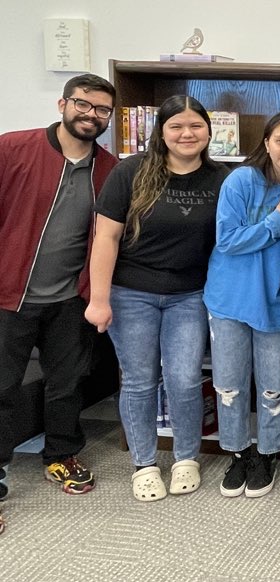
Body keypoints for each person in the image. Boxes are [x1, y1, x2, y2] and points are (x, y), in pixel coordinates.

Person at [86, 95, 229, 502]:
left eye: (195, 126)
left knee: (185, 380)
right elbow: (106, 238)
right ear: (161, 132)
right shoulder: (130, 172)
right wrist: (99, 299)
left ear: (208, 130)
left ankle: (186, 457)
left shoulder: (222, 178)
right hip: (131, 293)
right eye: (176, 127)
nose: (187, 134)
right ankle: (144, 465)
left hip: (191, 295)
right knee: (139, 381)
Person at [0, 74, 118, 506]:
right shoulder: (13, 148)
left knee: (67, 383)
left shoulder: (108, 169)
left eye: (102, 110)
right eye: (83, 105)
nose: (91, 115)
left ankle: (62, 454)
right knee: (2, 387)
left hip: (70, 299)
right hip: (9, 295)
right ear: (62, 104)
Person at [204, 112, 280, 499]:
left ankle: (266, 454)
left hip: (274, 301)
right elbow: (228, 241)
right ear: (266, 142)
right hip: (230, 299)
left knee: (272, 387)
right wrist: (276, 222)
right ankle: (237, 452)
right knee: (230, 385)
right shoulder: (240, 180)